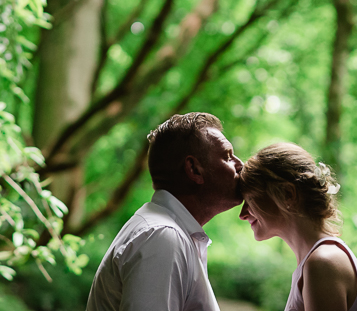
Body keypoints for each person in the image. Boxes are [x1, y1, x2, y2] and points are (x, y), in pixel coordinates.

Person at [86, 112, 244, 311]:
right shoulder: (161, 237)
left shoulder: (166, 231)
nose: (240, 164)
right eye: (227, 157)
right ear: (194, 169)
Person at [239, 143, 357, 311]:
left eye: (250, 199)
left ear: (288, 194)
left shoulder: (324, 263)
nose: (243, 213)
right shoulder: (316, 261)